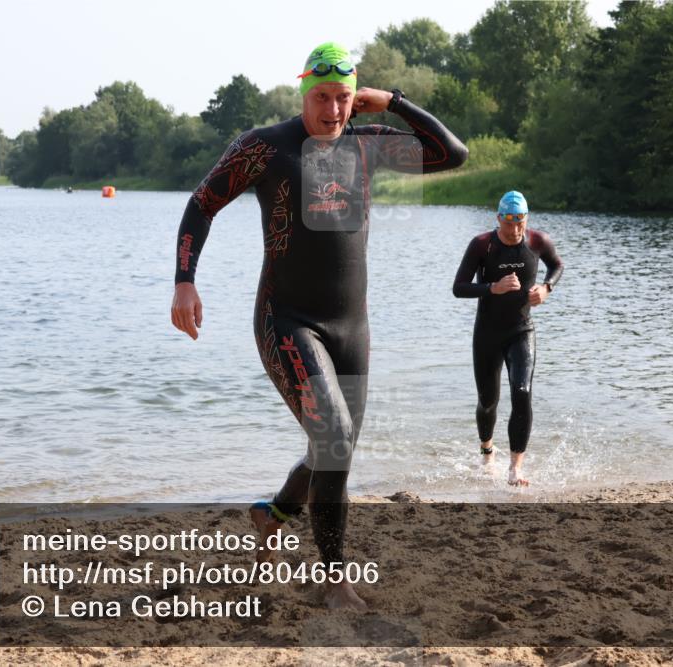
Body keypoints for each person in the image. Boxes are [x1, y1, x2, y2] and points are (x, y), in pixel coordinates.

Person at [171, 42, 467, 610]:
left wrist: (394, 102)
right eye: (322, 97)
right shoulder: (264, 148)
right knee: (332, 438)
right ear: (303, 93)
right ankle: (333, 580)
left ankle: (274, 513)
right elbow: (201, 204)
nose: (332, 110)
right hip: (286, 320)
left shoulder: (367, 145)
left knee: (335, 447)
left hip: (351, 327)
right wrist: (185, 279)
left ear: (357, 99)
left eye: (343, 98)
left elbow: (451, 153)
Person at [452, 191, 563, 487]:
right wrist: (492, 288)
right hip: (487, 333)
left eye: (520, 222)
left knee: (522, 392)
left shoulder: (538, 241)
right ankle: (487, 453)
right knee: (488, 402)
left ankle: (516, 468)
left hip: (521, 331)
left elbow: (557, 265)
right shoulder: (482, 245)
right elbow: (459, 287)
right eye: (509, 223)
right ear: (499, 219)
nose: (515, 230)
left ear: (526, 219)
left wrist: (547, 288)